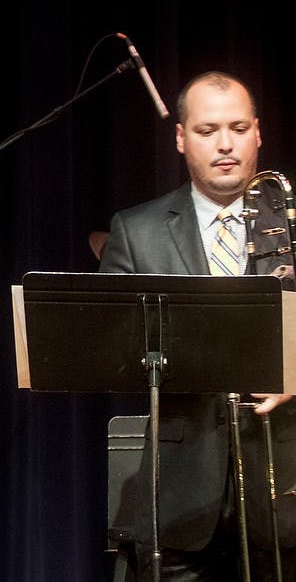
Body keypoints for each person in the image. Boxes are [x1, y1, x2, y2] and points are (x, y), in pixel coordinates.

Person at [99, 70, 296, 580]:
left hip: (286, 487)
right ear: (182, 138)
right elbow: (106, 350)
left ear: (258, 132)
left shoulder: (291, 221)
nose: (225, 144)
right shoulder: (135, 230)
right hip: (180, 497)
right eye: (208, 131)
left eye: (236, 128)